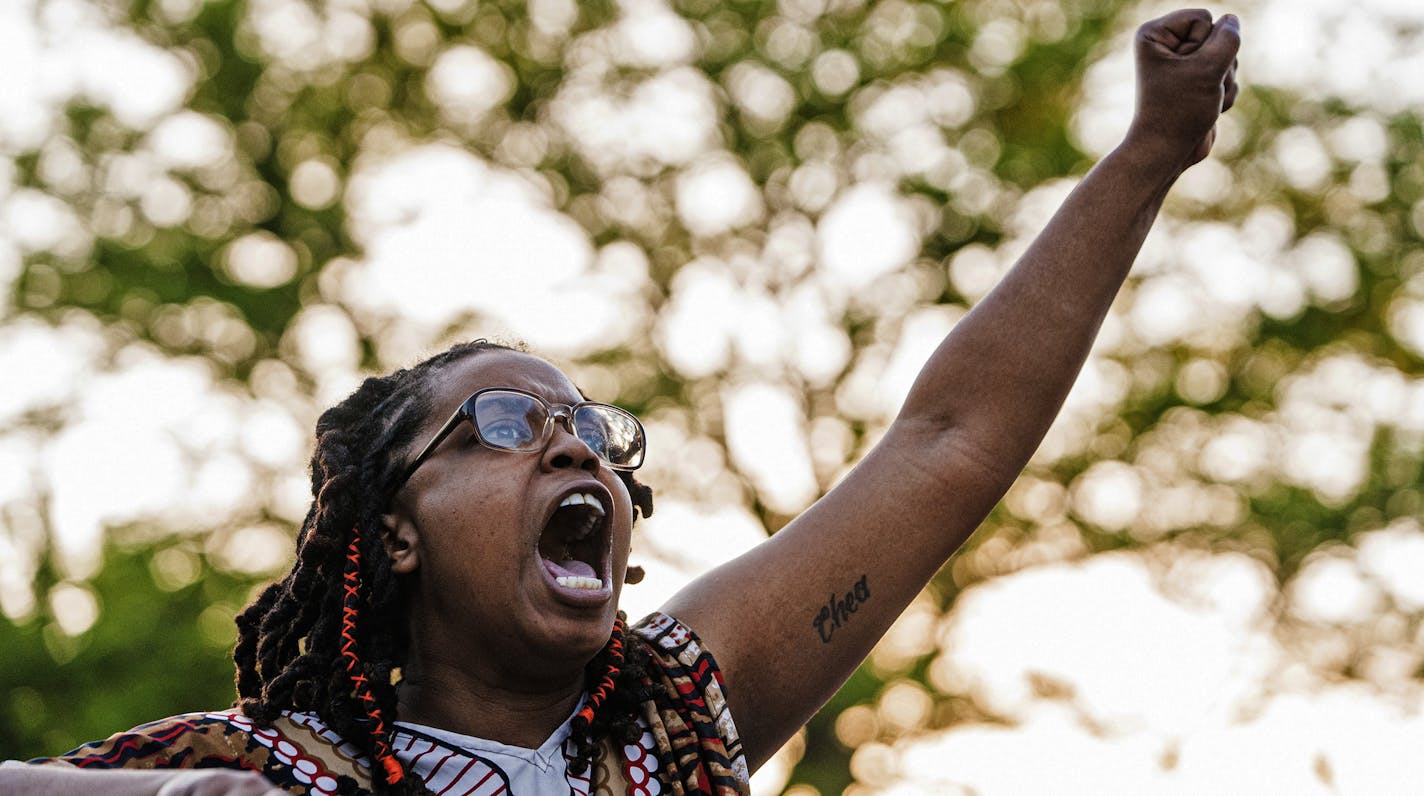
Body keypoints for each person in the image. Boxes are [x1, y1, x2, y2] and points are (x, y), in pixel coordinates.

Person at [1, 8, 1241, 795]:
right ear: (394, 530)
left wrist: (1146, 155)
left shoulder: (674, 719)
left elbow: (946, 443)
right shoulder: (268, 775)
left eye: (593, 432)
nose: (566, 442)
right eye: (501, 423)